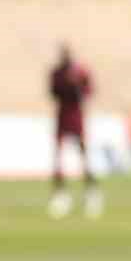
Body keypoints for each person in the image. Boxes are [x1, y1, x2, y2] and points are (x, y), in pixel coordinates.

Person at [48, 43, 100, 219]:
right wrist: (65, 86)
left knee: (83, 155)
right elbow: (53, 92)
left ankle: (91, 191)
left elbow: (89, 91)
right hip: (62, 116)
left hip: (76, 116)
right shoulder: (56, 73)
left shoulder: (80, 72)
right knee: (58, 156)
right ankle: (60, 194)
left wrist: (76, 87)